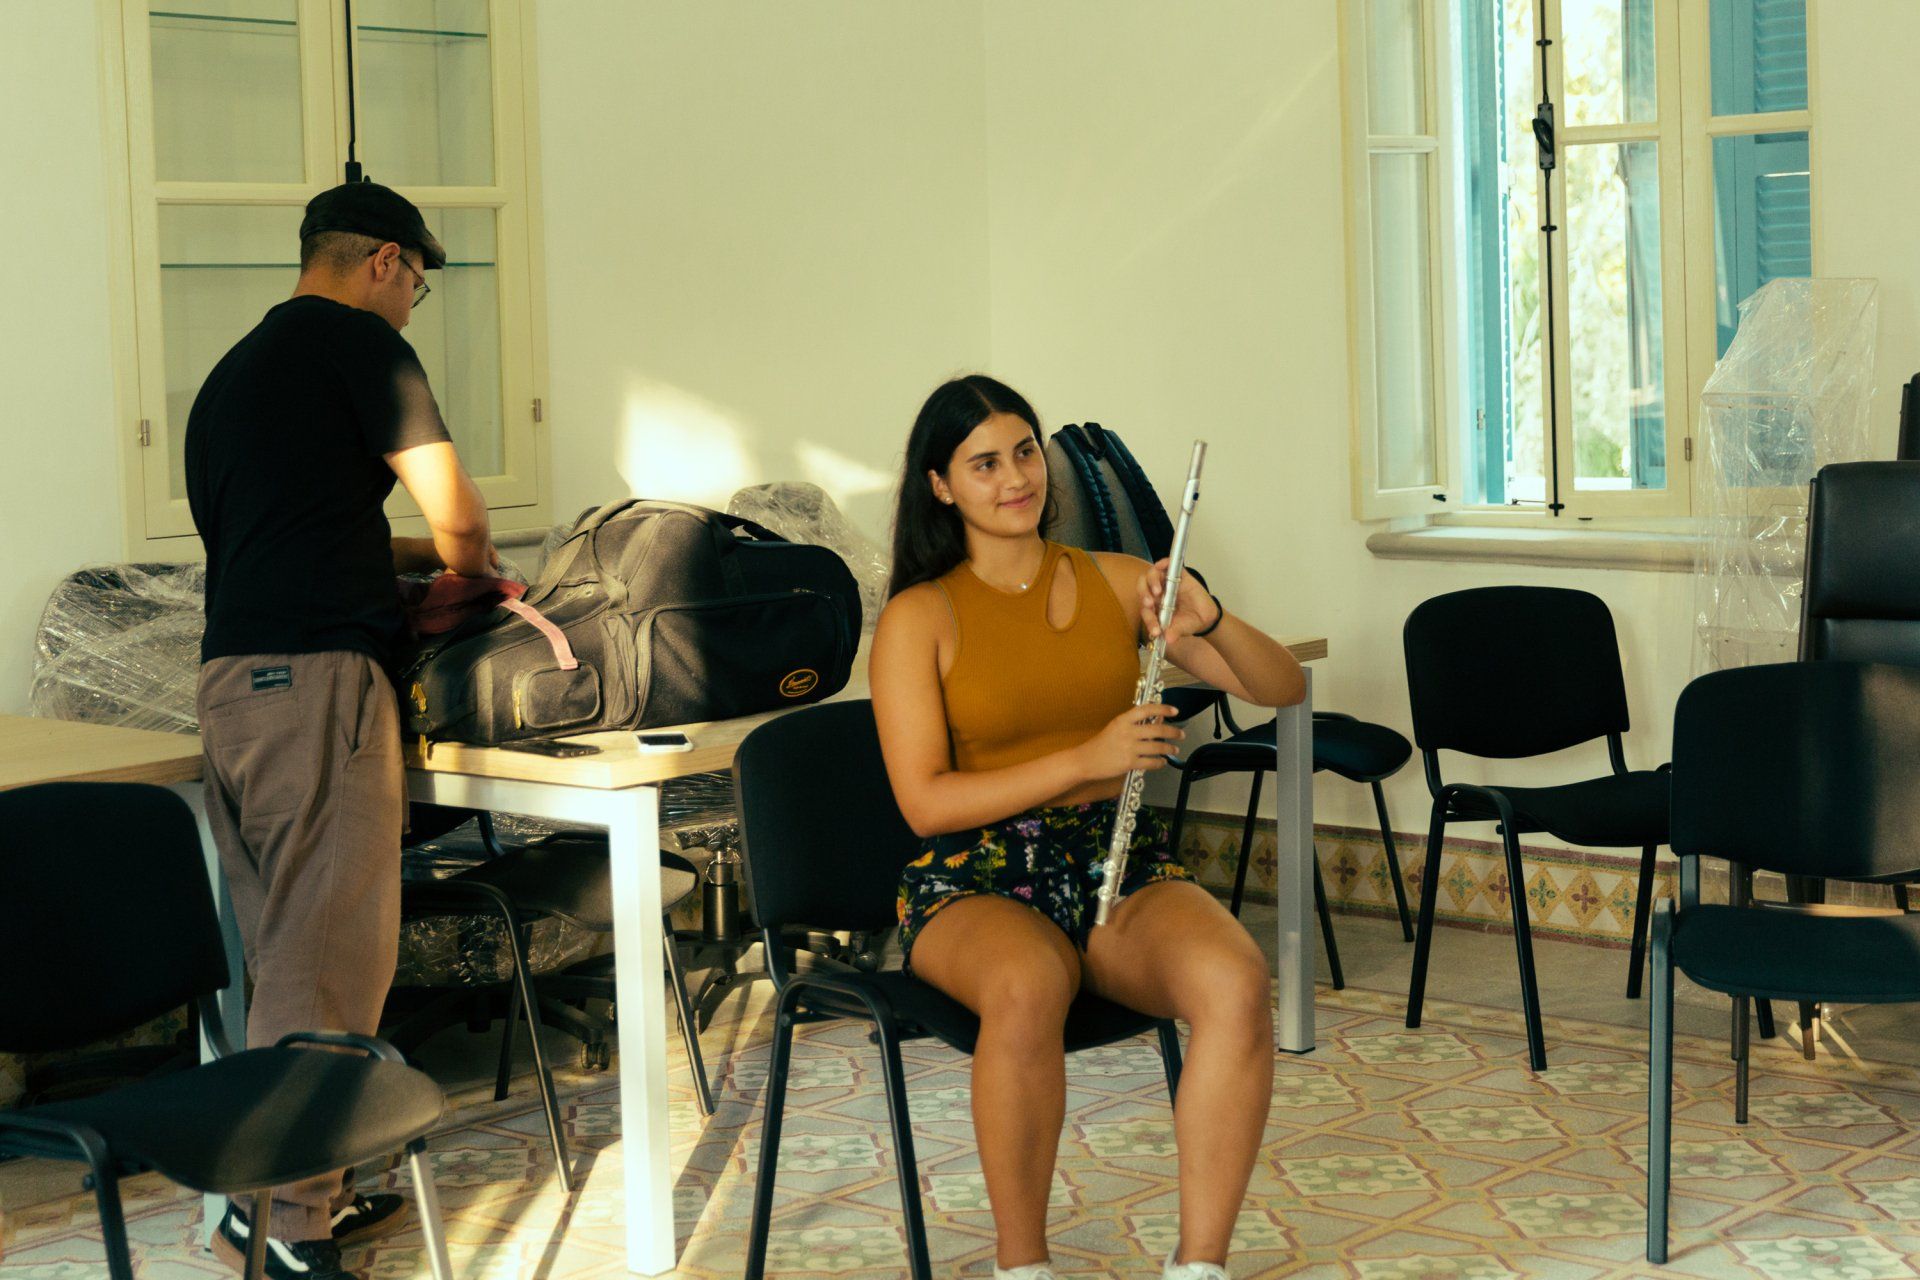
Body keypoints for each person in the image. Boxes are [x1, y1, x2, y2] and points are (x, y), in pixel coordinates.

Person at [870, 375, 1306, 1280]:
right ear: (940, 485)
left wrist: (1212, 618)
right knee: (1028, 982)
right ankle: (1023, 1267)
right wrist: (1086, 757)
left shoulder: (1114, 580)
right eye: (984, 464)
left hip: (1114, 856)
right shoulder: (919, 616)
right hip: (973, 877)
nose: (1015, 478)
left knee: (1235, 983)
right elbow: (925, 805)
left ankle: (1199, 1267)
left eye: (1025, 452)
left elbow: (1281, 687)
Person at [184, 181, 495, 1280]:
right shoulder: (363, 346)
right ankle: (282, 1221)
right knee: (329, 960)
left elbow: (286, 534)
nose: (412, 305)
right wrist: (471, 571)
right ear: (383, 262)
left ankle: (278, 1193)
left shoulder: (232, 374)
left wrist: (402, 560)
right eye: (416, 284)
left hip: (233, 682)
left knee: (284, 952)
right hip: (319, 682)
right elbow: (460, 520)